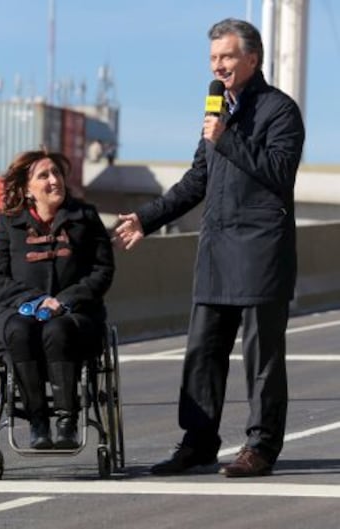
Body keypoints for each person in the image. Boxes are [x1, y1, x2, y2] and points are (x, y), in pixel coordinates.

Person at [114, 18, 305, 477]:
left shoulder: (280, 111)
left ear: (252, 59)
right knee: (202, 353)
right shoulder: (218, 111)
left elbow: (279, 172)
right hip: (217, 246)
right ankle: (198, 443)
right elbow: (198, 179)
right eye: (213, 59)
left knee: (262, 357)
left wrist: (227, 137)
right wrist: (148, 217)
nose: (218, 66)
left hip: (261, 248)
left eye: (227, 57)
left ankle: (260, 447)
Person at [0, 148, 115, 450]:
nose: (54, 180)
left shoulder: (85, 217)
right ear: (27, 188)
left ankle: (67, 421)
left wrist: (65, 300)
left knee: (58, 330)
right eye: (44, 176)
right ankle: (37, 421)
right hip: (19, 311)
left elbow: (102, 270)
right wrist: (35, 301)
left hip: (76, 314)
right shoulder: (8, 223)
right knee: (19, 330)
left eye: (56, 173)